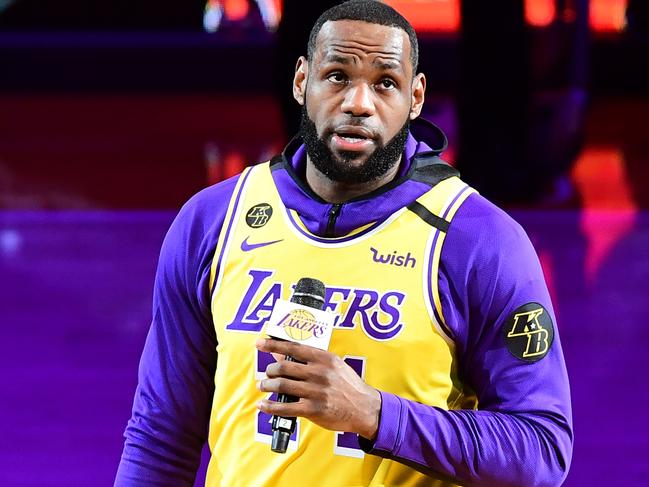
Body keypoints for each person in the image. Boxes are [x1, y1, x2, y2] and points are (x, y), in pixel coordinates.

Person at [115, 1, 573, 486]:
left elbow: (541, 450)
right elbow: (161, 435)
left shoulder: (477, 240)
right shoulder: (213, 221)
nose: (359, 103)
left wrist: (375, 414)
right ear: (300, 82)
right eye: (337, 76)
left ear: (415, 97)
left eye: (385, 83)